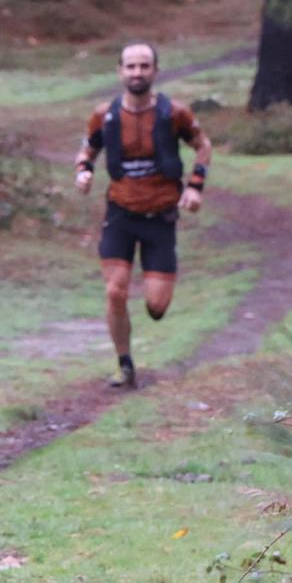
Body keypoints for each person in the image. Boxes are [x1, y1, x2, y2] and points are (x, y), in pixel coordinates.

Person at [74, 42, 211, 389]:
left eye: (144, 66)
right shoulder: (104, 115)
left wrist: (195, 187)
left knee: (156, 306)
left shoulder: (174, 113)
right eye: (131, 66)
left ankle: (154, 303)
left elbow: (203, 146)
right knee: (115, 291)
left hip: (161, 216)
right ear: (120, 71)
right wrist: (83, 171)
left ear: (155, 71)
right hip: (120, 213)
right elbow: (89, 147)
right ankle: (124, 364)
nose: (137, 72)